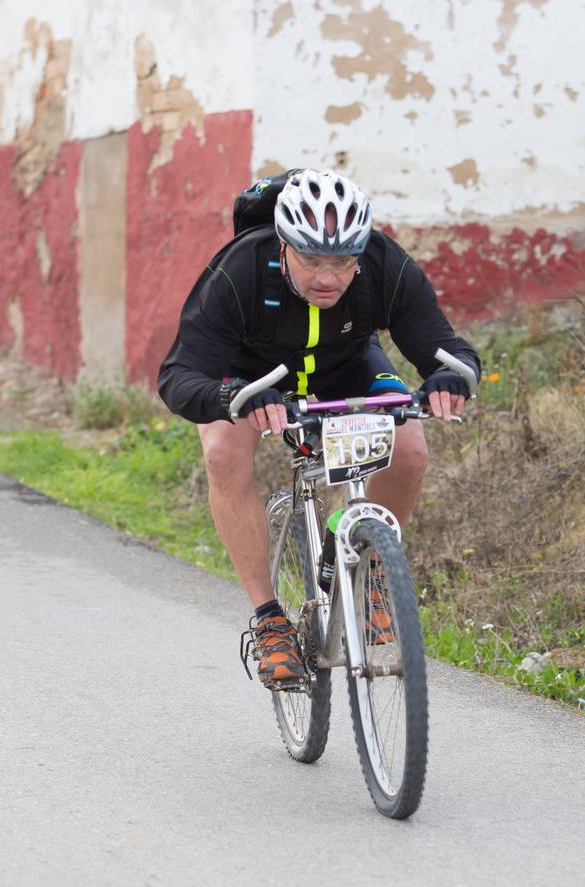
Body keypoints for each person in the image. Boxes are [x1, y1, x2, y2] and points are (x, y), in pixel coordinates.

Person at [157, 169, 480, 686]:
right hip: (250, 375)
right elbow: (177, 377)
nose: (328, 278)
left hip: (344, 365)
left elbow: (444, 347)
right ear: (284, 245)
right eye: (310, 260)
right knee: (222, 451)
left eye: (343, 262)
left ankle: (367, 566)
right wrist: (231, 397)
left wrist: (450, 377)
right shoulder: (239, 270)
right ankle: (269, 623)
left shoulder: (380, 262)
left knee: (410, 446)